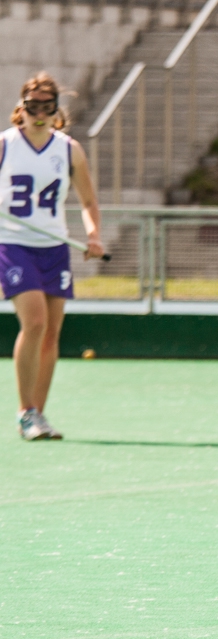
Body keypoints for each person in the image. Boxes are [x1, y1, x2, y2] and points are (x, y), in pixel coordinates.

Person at [0, 72, 102, 440]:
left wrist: (93, 235)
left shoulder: (68, 149)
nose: (39, 115)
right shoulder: (5, 145)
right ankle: (25, 411)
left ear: (56, 110)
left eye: (47, 107)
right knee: (36, 321)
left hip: (54, 246)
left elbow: (88, 201)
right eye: (32, 107)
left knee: (51, 333)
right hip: (12, 244)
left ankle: (38, 414)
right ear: (21, 108)